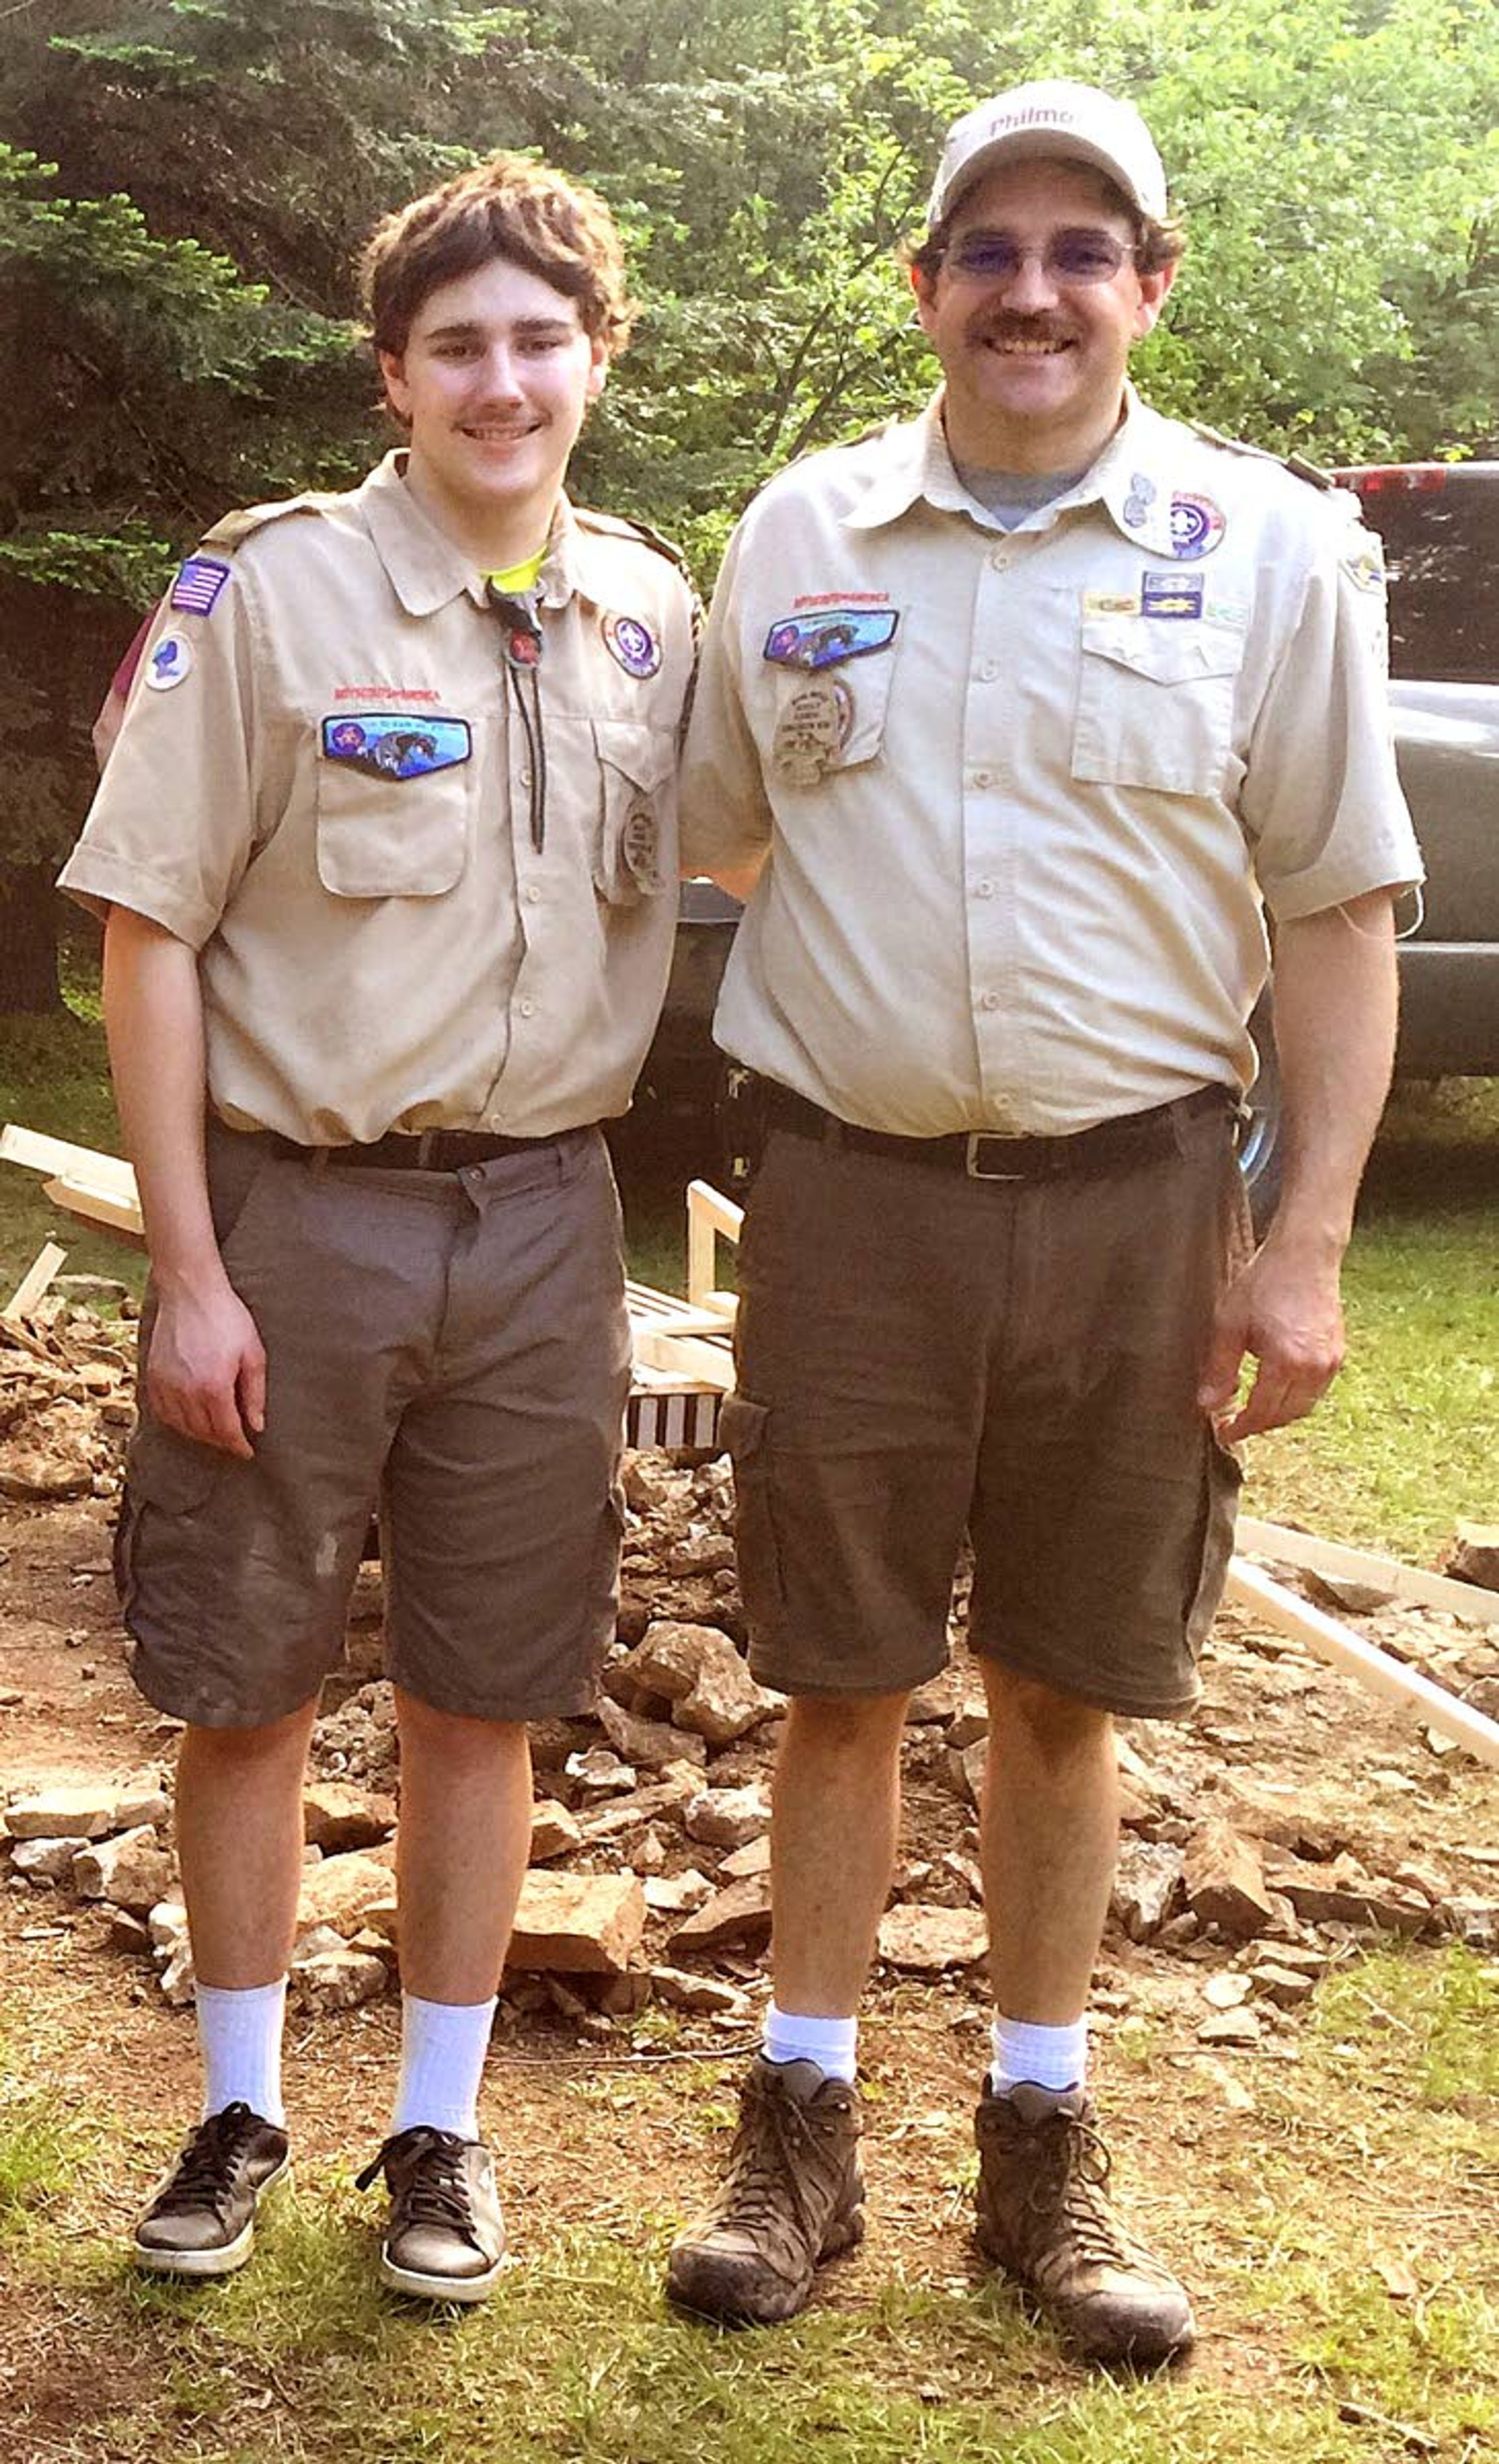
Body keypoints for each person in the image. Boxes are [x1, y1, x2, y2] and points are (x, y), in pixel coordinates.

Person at [669, 78, 1421, 2364]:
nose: (1033, 290)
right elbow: (719, 842)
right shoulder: (799, 538)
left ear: (1149, 287)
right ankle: (792, 2136)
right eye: (987, 249)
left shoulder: (1267, 549)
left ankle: (1041, 2142)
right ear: (925, 286)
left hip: (1135, 1211)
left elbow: (1339, 914)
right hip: (853, 1205)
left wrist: (1296, 1247)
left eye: (1083, 250)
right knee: (834, 1676)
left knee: (1073, 1685)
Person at [59, 153, 695, 2301]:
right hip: (301, 1215)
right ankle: (239, 2100)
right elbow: (148, 937)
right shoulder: (269, 597)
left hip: (541, 1222)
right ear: (396, 372)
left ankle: (438, 2131)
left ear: (597, 355)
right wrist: (194, 1269)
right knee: (241, 1683)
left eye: (541, 339)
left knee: (479, 1693)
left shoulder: (651, 616)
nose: (503, 382)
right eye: (459, 346)